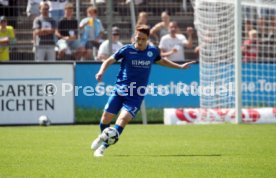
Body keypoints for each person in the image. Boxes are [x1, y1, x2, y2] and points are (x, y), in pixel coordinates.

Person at [90, 25, 196, 157]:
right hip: (120, 90)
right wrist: (101, 72)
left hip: (136, 94)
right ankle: (102, 137)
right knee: (106, 118)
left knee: (123, 119)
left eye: (142, 39)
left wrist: (179, 66)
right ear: (135, 36)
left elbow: (162, 61)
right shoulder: (127, 50)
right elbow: (109, 60)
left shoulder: (152, 51)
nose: (139, 41)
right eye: (138, 38)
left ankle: (102, 148)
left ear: (147, 39)